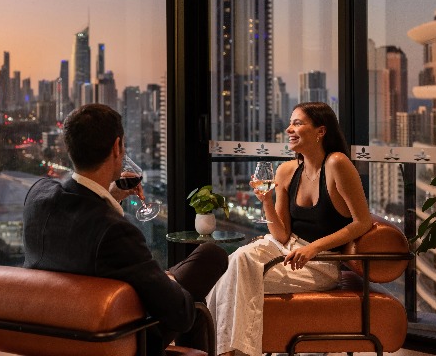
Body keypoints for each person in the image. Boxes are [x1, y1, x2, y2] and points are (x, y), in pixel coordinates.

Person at [23, 103, 229, 355]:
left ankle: (166, 282)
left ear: (70, 147)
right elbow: (181, 316)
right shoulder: (114, 231)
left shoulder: (38, 196)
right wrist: (170, 284)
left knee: (188, 278)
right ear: (117, 147)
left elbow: (80, 225)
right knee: (209, 261)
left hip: (53, 329)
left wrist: (110, 198)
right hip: (118, 336)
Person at [206, 102, 372, 356]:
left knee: (235, 267)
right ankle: (226, 351)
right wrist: (266, 201)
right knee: (232, 265)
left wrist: (315, 248)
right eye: (290, 123)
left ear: (320, 131)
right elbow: (281, 234)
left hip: (321, 264)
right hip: (284, 250)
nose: (288, 129)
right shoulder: (286, 171)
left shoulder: (337, 164)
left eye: (298, 123)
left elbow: (363, 222)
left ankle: (215, 348)